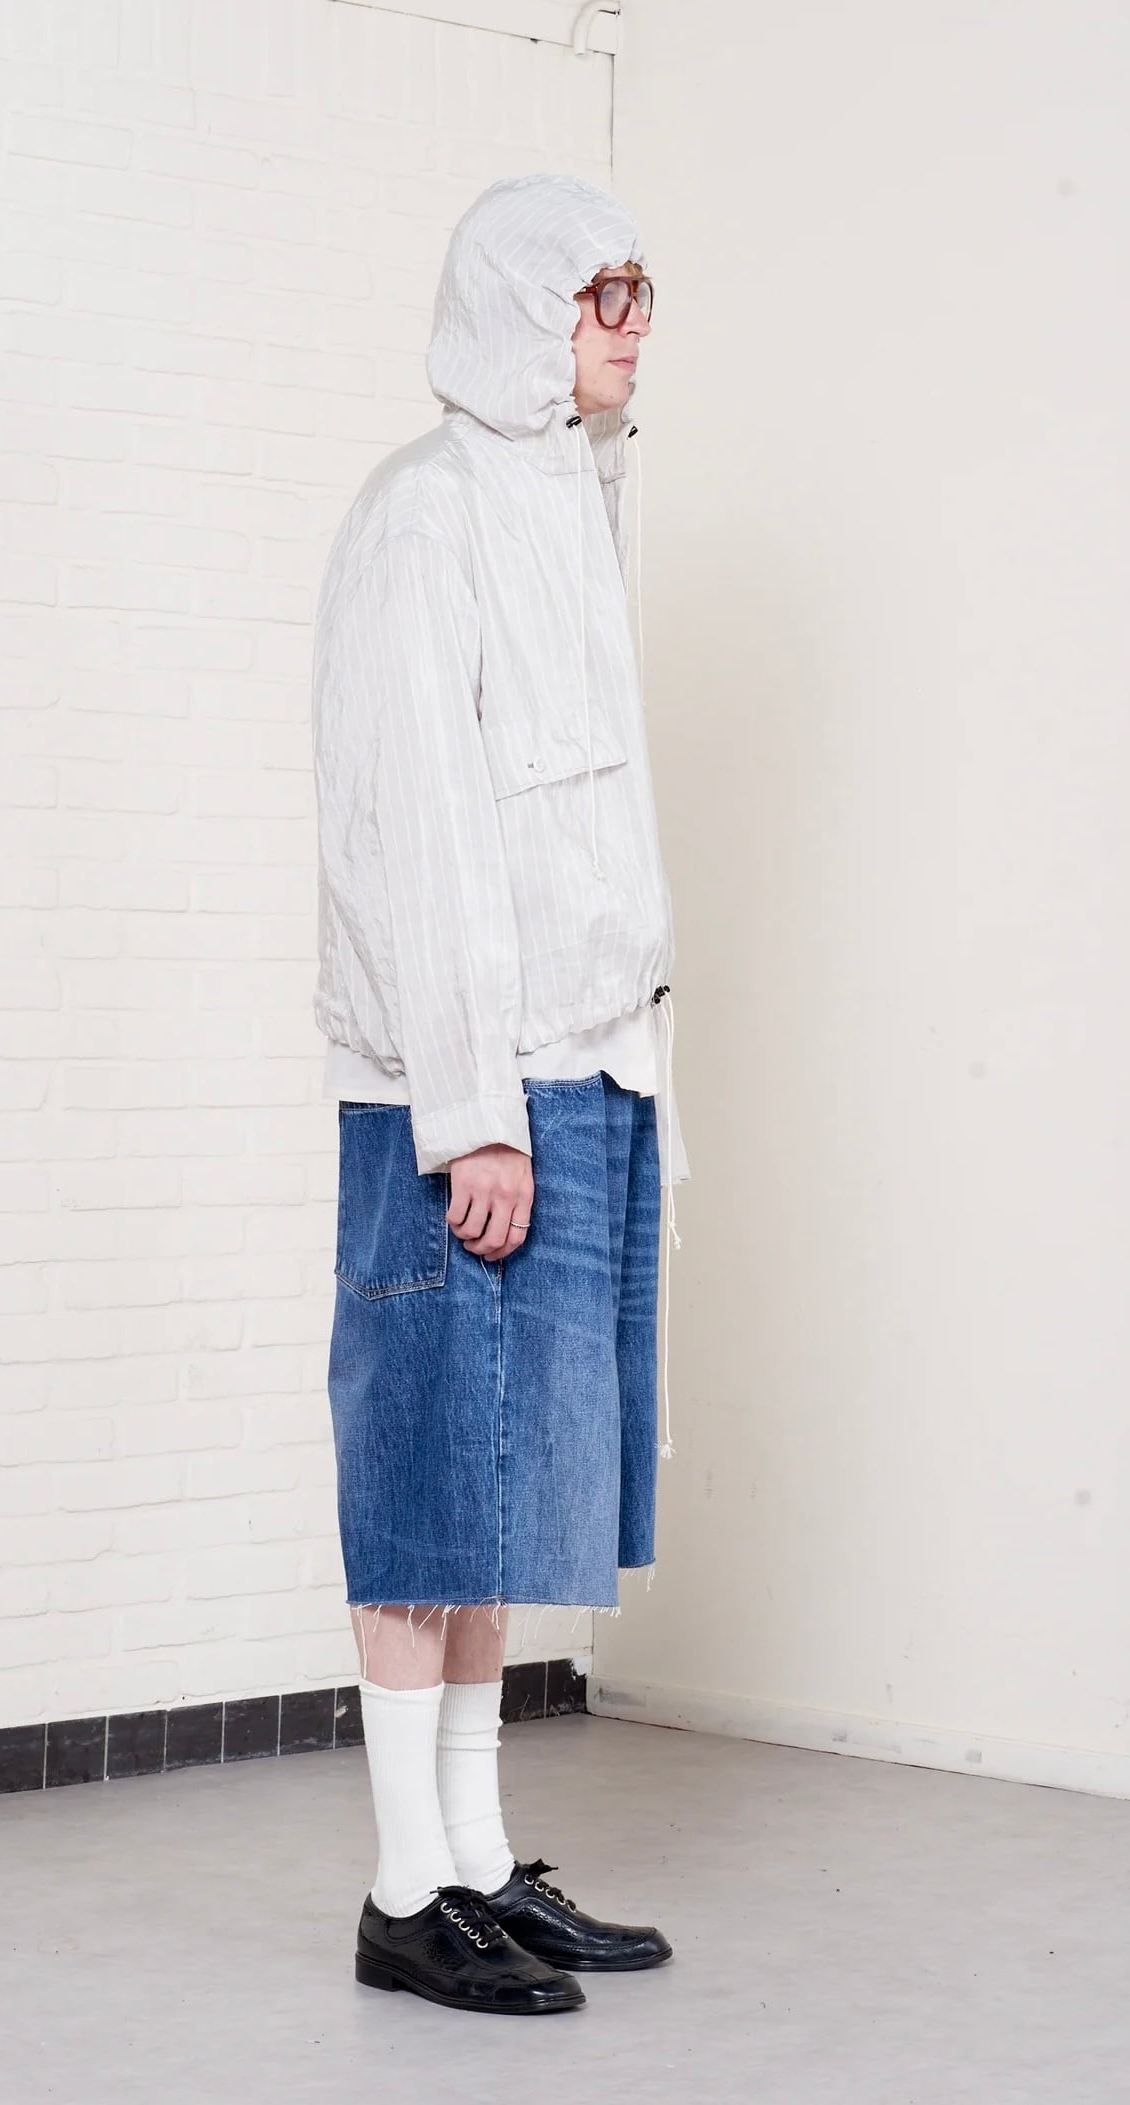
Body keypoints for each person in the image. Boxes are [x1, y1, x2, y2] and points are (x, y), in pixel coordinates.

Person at [311, 172, 689, 2017]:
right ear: (522, 308)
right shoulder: (428, 513)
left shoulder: (568, 498)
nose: (629, 323)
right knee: (424, 1480)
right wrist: (467, 1109)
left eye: (640, 290)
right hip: (470, 1094)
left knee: (505, 1491)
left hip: (584, 1069)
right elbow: (417, 830)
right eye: (596, 292)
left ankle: (472, 1859)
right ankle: (404, 1893)